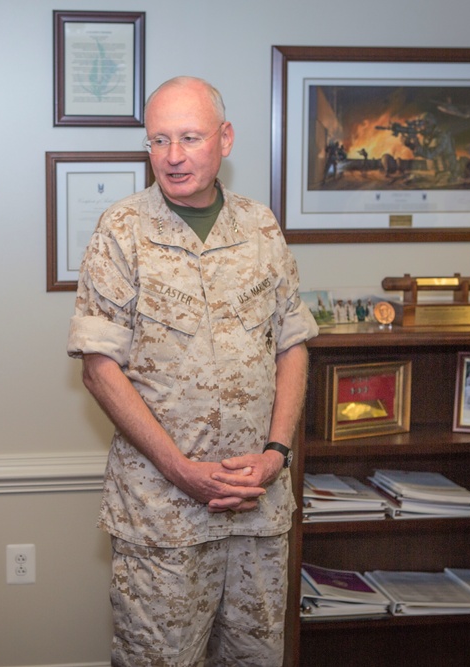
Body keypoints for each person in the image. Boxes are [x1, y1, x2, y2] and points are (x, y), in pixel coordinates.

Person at [67, 76, 319, 666]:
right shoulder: (122, 230)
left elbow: (293, 344)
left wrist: (278, 451)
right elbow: (99, 368)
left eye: (189, 137)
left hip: (258, 506)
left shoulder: (261, 229)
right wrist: (180, 470)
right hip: (163, 516)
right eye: (159, 140)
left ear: (224, 139)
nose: (173, 156)